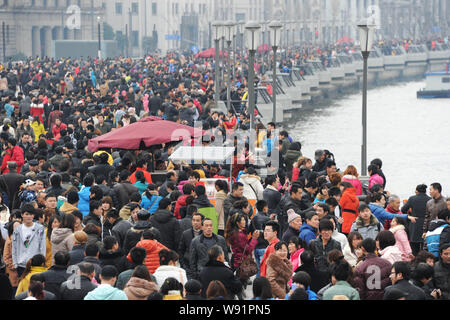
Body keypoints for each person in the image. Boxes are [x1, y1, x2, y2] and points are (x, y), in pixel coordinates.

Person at [12, 205, 46, 277]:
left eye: (31, 214)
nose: (29, 216)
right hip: (21, 264)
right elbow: (14, 247)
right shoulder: (18, 230)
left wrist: (42, 262)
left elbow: (42, 246)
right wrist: (15, 263)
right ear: (22, 215)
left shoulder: (39, 228)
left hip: (35, 264)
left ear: (33, 215)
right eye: (27, 214)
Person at [401, 184, 431, 256]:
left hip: (414, 224)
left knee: (414, 248)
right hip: (426, 224)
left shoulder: (412, 198)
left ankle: (415, 263)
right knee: (425, 246)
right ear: (425, 191)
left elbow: (403, 209)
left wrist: (410, 215)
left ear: (417, 191)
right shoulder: (430, 199)